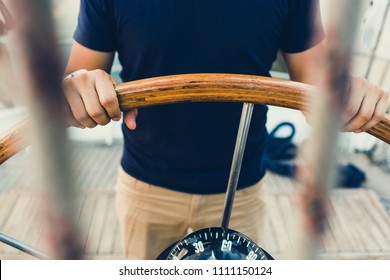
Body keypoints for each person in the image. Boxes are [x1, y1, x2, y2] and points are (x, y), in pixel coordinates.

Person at [63, 0, 389, 259]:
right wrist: (79, 88)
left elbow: (317, 89)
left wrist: (348, 94)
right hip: (145, 187)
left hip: (242, 192)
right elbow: (78, 78)